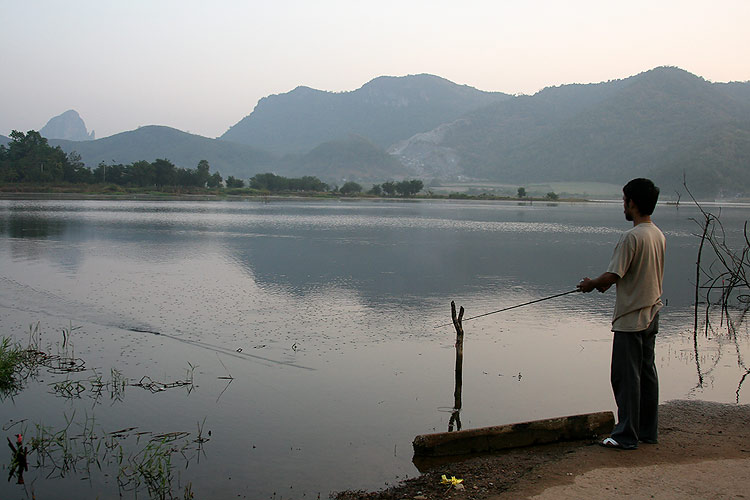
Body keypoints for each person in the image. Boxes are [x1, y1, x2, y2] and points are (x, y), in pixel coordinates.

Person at [577, 178, 665, 450]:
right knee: (646, 375)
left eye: (624, 200)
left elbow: (614, 274)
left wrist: (592, 283)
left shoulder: (631, 237)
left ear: (633, 203)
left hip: (630, 318)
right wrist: (605, 283)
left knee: (626, 379)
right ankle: (647, 432)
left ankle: (625, 435)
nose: (623, 206)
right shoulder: (657, 234)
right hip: (652, 313)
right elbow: (629, 275)